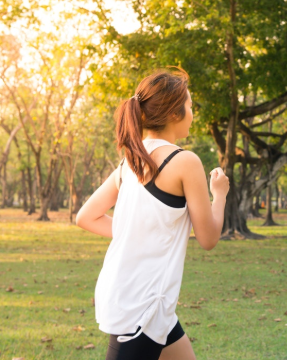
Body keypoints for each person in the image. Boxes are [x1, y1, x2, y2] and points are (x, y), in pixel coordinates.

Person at [76, 68, 229, 360]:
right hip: (141, 306)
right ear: (174, 113)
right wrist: (219, 195)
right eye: (190, 106)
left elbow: (86, 216)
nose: (192, 113)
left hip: (148, 302)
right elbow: (208, 237)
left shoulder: (129, 162)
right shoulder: (185, 161)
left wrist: (136, 231)